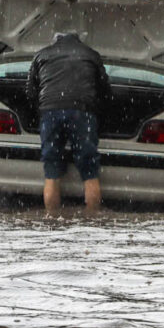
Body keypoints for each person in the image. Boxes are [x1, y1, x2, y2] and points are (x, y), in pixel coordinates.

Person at [26, 32, 112, 215]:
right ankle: (92, 218)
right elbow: (105, 92)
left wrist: (40, 113)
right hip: (82, 112)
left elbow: (31, 92)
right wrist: (97, 114)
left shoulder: (42, 55)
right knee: (89, 170)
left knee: (51, 170)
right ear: (79, 40)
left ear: (55, 40)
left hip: (50, 111)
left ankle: (52, 218)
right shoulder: (91, 54)